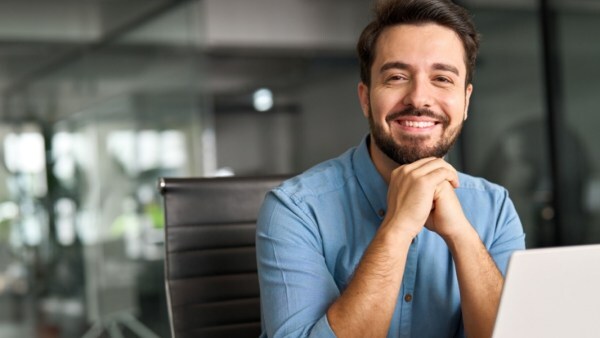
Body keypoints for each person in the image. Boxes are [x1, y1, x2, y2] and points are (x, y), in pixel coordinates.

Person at [256, 0, 526, 337]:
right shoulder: (294, 211)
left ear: (466, 101)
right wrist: (397, 229)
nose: (419, 98)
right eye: (397, 76)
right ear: (365, 98)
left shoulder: (495, 207)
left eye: (442, 78)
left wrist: (462, 236)